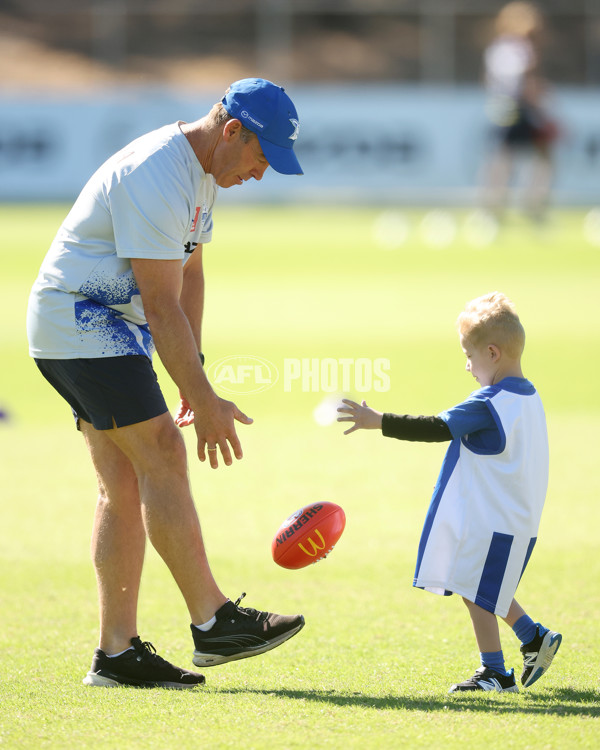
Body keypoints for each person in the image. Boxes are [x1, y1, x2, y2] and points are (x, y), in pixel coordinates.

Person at [26, 78, 305, 689]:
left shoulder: (204, 171)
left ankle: (116, 655)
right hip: (82, 321)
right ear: (232, 130)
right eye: (262, 158)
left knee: (122, 481)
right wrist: (202, 401)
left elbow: (191, 275)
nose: (261, 174)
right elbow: (160, 303)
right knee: (163, 453)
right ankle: (214, 622)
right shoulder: (158, 173)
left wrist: (192, 375)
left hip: (96, 327)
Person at [337, 292, 561, 693]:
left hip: (493, 520)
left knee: (474, 588)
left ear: (492, 353)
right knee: (479, 586)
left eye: (469, 356)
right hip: (514, 519)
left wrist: (379, 421)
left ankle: (495, 671)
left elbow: (437, 427)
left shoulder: (489, 403)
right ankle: (533, 637)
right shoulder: (529, 395)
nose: (467, 366)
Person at [480, 2, 558, 223]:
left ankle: (518, 204)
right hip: (515, 107)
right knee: (506, 158)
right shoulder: (515, 48)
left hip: (507, 106)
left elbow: (489, 79)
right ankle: (501, 206)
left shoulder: (501, 47)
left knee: (511, 157)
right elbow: (521, 82)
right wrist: (538, 106)